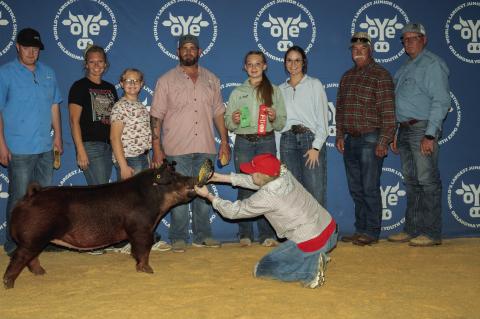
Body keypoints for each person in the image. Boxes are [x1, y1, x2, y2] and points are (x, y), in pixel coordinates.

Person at [194, 153, 337, 288]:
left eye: (253, 172)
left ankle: (310, 271)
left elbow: (233, 212)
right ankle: (314, 257)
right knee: (297, 252)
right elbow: (257, 181)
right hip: (330, 230)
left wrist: (209, 196)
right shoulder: (283, 173)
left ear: (261, 175)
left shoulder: (267, 197)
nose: (250, 173)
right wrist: (219, 177)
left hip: (312, 242)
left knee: (262, 269)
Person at [150, 34, 230, 253]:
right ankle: (178, 237)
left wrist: (224, 141)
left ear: (199, 51)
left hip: (206, 146)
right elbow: (156, 116)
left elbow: (219, 113)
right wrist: (156, 149)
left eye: (192, 48)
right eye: (184, 48)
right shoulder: (165, 80)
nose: (188, 52)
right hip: (176, 149)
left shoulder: (212, 79)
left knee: (203, 192)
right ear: (178, 52)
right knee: (178, 194)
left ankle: (203, 235)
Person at [0, 28, 62, 256]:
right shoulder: (5, 73)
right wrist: (1, 144)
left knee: (42, 198)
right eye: (27, 47)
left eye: (35, 49)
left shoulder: (48, 73)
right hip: (18, 147)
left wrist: (58, 136)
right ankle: (13, 243)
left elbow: (55, 105)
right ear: (17, 47)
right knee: (18, 198)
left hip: (45, 146)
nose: (31, 52)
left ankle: (39, 240)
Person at [388, 23, 450, 247]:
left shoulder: (432, 64)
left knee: (427, 180)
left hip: (422, 128)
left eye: (414, 38)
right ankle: (412, 229)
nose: (409, 42)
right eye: (405, 39)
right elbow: (400, 104)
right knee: (412, 181)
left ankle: (432, 232)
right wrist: (396, 131)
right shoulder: (405, 67)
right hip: (404, 129)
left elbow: (442, 101)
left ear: (424, 39)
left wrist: (430, 134)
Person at [335, 32, 396, 246]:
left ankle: (371, 231)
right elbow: (340, 109)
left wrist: (383, 140)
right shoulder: (347, 77)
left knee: (369, 187)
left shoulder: (381, 75)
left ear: (370, 50)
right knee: (356, 189)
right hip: (351, 139)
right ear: (351, 52)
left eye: (362, 49)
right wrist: (340, 134)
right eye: (354, 49)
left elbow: (388, 112)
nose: (358, 52)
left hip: (371, 138)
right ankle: (360, 228)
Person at [224, 51, 286, 247]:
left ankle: (267, 234)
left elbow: (281, 124)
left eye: (257, 64)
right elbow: (228, 123)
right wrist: (233, 121)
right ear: (245, 67)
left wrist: (274, 117)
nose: (253, 67)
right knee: (244, 186)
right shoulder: (236, 92)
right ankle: (245, 234)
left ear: (265, 66)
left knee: (266, 187)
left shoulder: (274, 91)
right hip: (243, 142)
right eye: (249, 64)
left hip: (266, 141)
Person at [109, 68, 171, 253]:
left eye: (136, 81)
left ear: (142, 84)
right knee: (133, 205)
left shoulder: (142, 108)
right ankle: (131, 241)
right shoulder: (120, 107)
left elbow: (146, 135)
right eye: (128, 81)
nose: (132, 84)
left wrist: (151, 157)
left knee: (144, 204)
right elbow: (114, 138)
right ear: (121, 83)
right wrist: (123, 165)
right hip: (129, 159)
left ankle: (145, 239)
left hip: (142, 158)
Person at [68, 44, 118, 255]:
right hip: (90, 146)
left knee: (100, 196)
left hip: (108, 146)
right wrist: (80, 149)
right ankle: (89, 242)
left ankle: (97, 239)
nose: (96, 65)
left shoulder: (110, 88)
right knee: (97, 197)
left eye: (100, 62)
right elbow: (73, 121)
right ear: (85, 64)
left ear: (105, 65)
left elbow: (115, 122)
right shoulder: (79, 87)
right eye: (92, 61)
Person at [279, 45, 329, 206]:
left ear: (303, 62)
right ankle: (298, 232)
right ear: (285, 63)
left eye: (297, 60)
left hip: (309, 140)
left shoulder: (314, 84)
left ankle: (322, 231)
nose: (293, 64)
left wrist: (316, 147)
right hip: (287, 142)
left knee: (315, 191)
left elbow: (323, 119)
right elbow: (278, 125)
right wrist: (279, 155)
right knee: (293, 193)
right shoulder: (280, 90)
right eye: (289, 60)